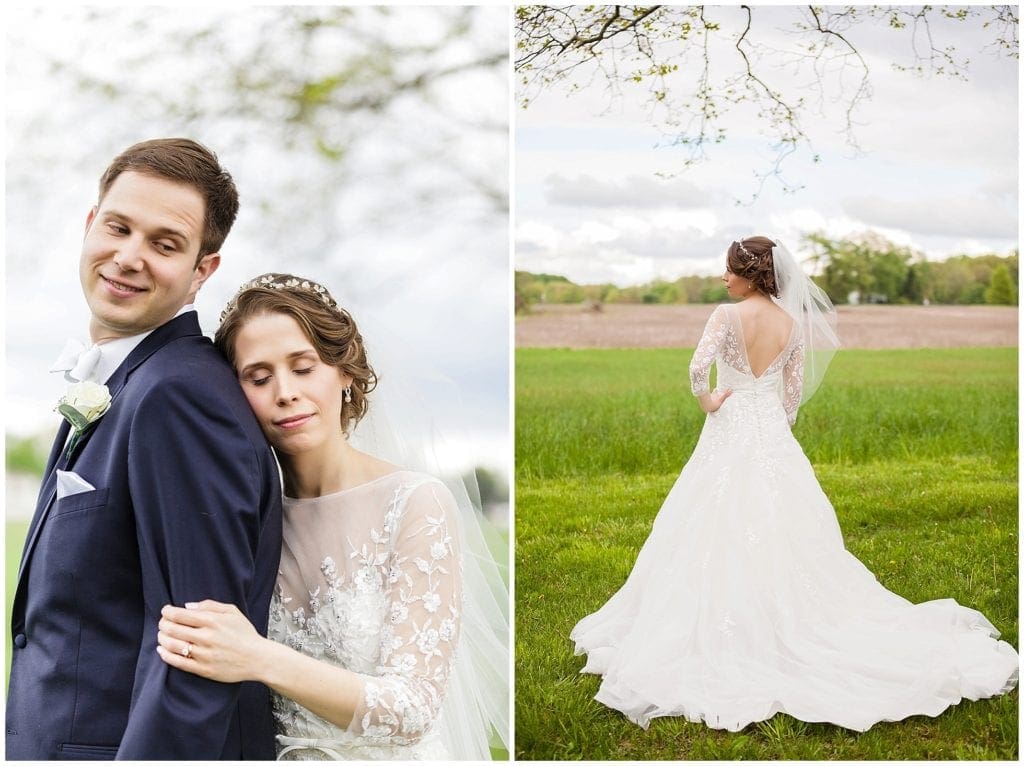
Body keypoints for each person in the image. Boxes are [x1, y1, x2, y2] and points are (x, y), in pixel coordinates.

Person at [570, 236, 1019, 732]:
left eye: (729, 270)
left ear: (750, 274)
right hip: (771, 433)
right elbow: (793, 394)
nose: (723, 278)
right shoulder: (790, 324)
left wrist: (712, 402)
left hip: (732, 422)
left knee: (712, 517)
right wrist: (776, 426)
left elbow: (698, 370)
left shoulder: (725, 316)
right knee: (783, 522)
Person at [155, 273, 511, 760]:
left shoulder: (414, 503)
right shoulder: (247, 520)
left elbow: (413, 708)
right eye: (259, 378)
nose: (284, 392)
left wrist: (257, 657)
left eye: (303, 368)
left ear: (344, 372)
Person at [6, 138, 282, 760]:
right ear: (89, 226)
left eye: (164, 244)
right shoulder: (128, 380)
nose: (129, 257)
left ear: (201, 271)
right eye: (118, 227)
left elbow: (198, 653)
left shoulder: (180, 397)